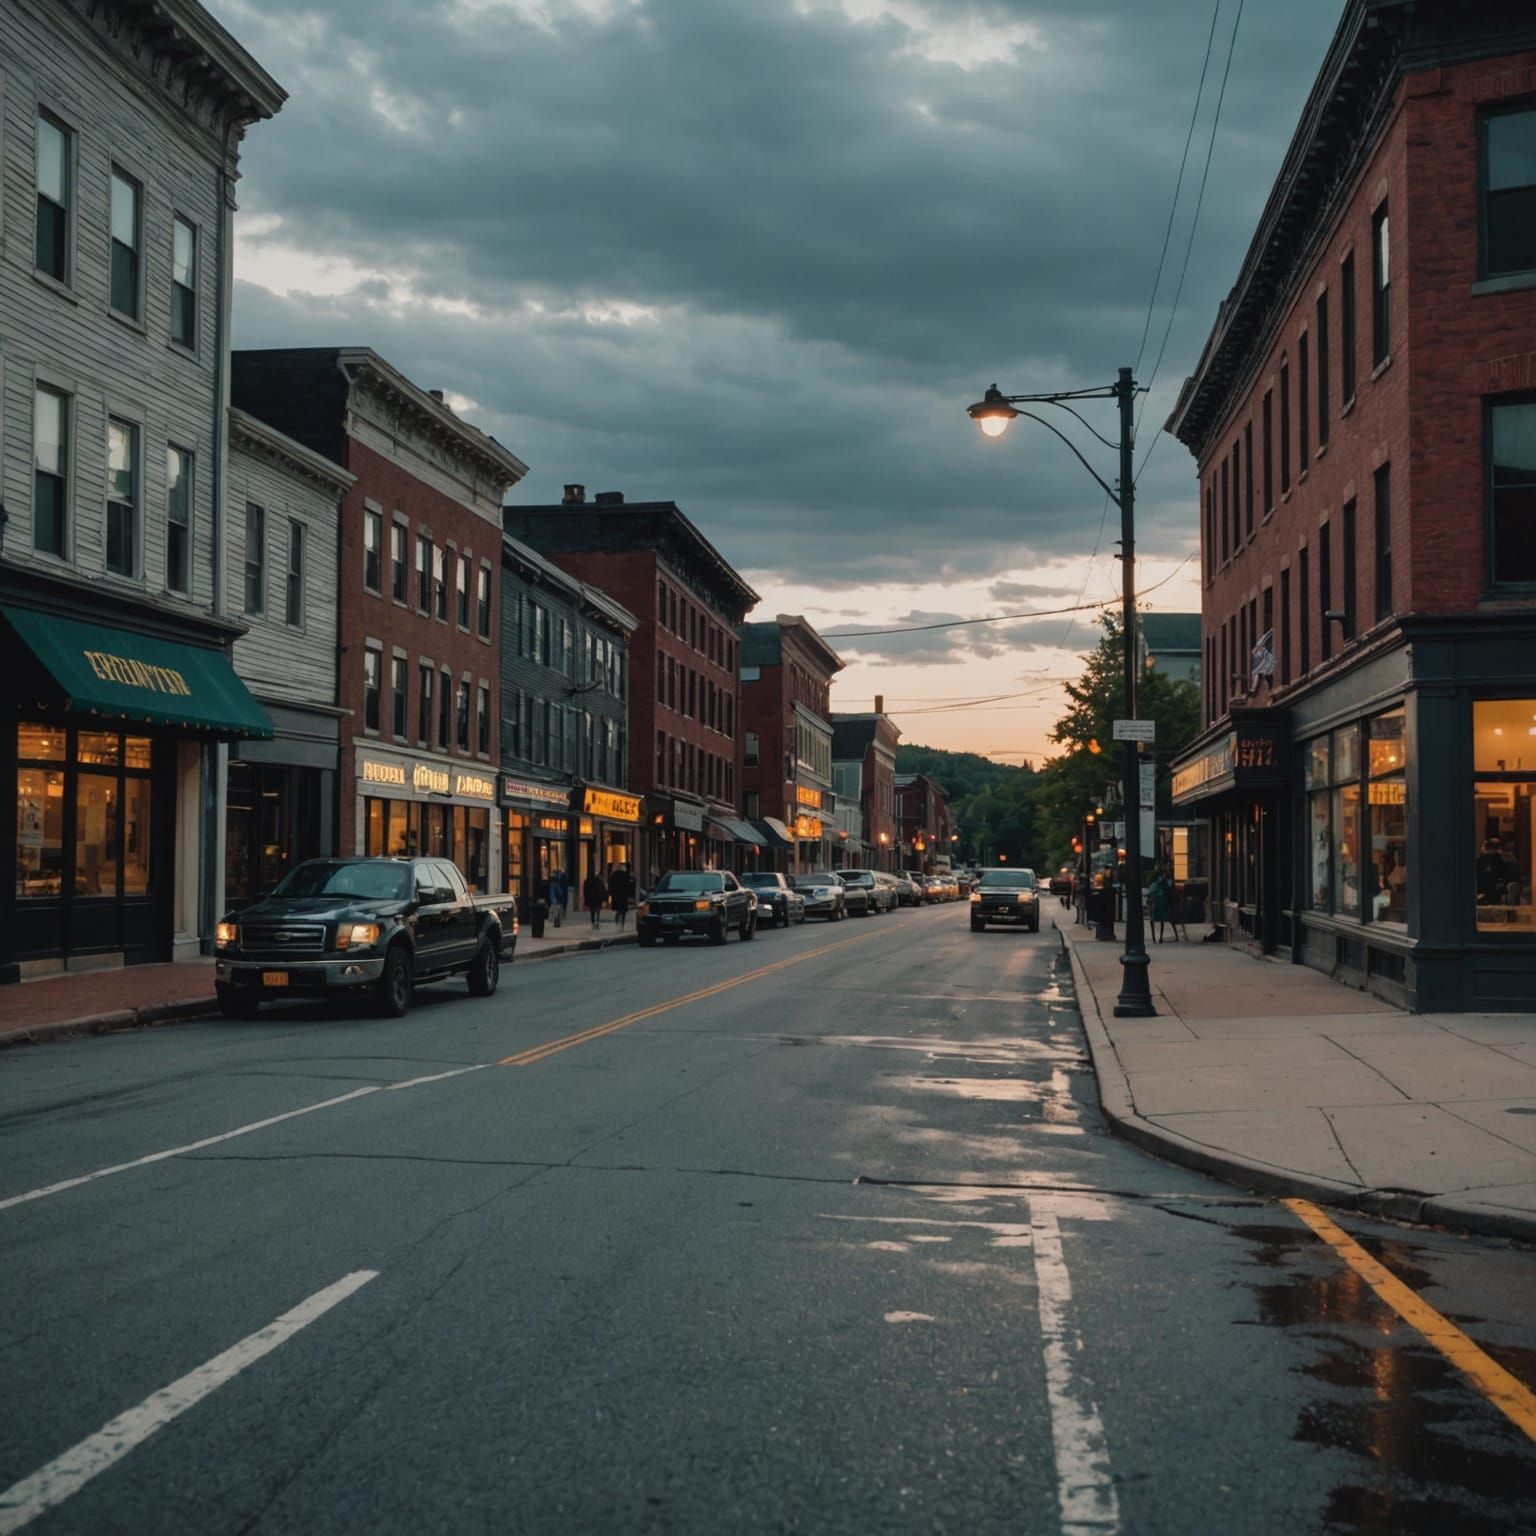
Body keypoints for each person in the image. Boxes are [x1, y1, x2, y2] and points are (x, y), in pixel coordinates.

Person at [1146, 866, 1173, 944]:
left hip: (1159, 902)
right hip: (1158, 902)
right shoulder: (1159, 884)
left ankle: (1156, 938)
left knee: (1158, 919)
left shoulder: (1163, 883)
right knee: (1157, 918)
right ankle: (1156, 938)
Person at [609, 863, 634, 929]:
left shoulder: (613, 875)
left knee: (618, 910)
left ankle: (617, 921)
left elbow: (610, 884)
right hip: (623, 895)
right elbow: (629, 885)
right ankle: (622, 924)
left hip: (616, 895)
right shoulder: (625, 875)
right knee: (623, 911)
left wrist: (611, 893)